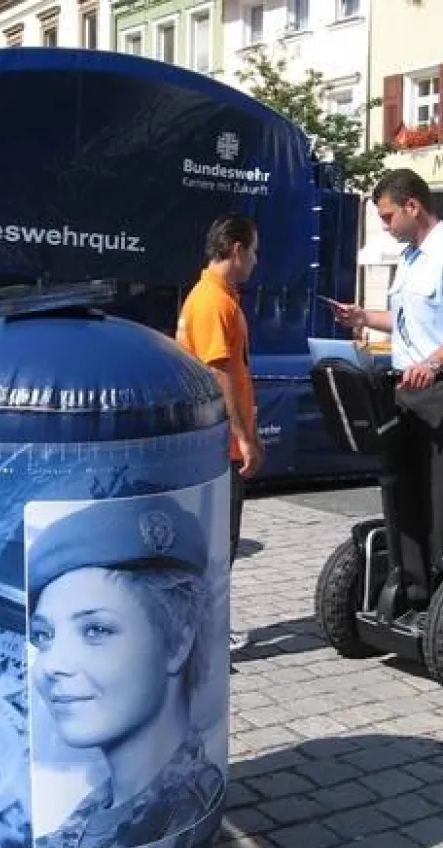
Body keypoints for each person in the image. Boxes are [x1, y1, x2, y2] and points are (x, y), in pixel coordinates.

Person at [26, 495, 224, 848]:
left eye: (95, 630)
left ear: (178, 643)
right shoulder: (83, 824)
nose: (52, 664)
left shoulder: (185, 810)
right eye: (43, 636)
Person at [330, 168, 443, 601]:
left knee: (441, 504)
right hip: (406, 388)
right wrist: (363, 317)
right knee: (402, 494)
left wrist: (433, 363)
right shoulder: (411, 258)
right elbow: (406, 325)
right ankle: (413, 591)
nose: (384, 226)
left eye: (387, 217)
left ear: (412, 206)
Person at [176, 214, 264, 652]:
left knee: (216, 544)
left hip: (213, 441)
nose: (255, 259)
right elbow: (220, 373)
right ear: (235, 248)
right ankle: (205, 637)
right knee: (218, 546)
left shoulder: (216, 297)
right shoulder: (213, 302)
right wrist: (244, 436)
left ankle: (204, 630)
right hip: (219, 445)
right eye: (253, 250)